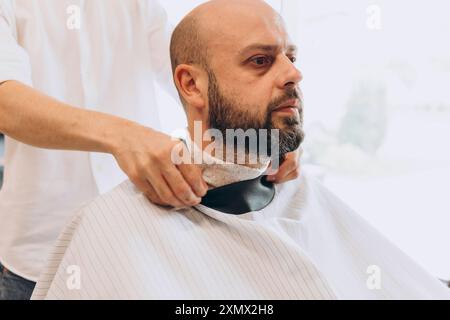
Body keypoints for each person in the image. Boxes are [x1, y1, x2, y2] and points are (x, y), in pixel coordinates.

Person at [31, 0, 450, 300]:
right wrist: (123, 136)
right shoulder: (115, 231)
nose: (294, 73)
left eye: (290, 56)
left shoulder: (303, 197)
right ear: (191, 85)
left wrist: (273, 132)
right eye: (260, 61)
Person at [0, 0, 301, 300]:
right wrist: (122, 136)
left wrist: (269, 122)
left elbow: (205, 71)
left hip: (139, 253)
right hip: (35, 255)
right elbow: (5, 103)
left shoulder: (137, 7)